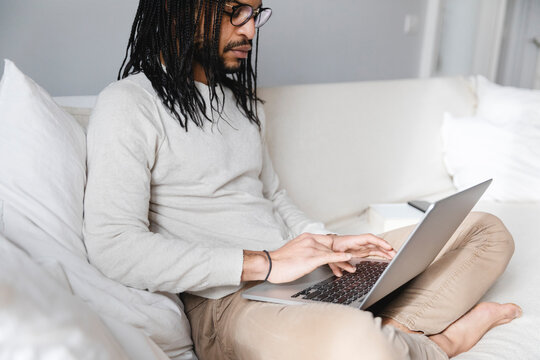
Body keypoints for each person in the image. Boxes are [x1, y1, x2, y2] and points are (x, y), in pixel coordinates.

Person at [83, 1, 521, 359]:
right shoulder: (127, 104)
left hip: (303, 273)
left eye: (256, 14)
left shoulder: (241, 105)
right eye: (236, 11)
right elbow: (113, 244)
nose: (250, 31)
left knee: (488, 232)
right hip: (228, 302)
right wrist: (266, 263)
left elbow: (273, 196)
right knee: (360, 345)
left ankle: (390, 329)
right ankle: (440, 343)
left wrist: (325, 242)